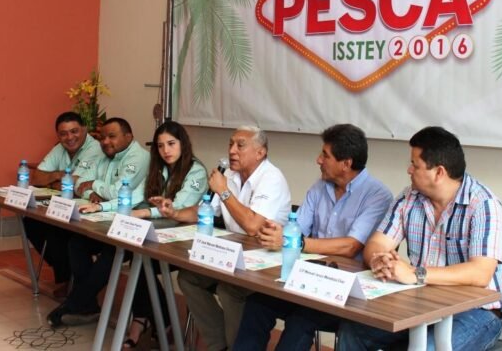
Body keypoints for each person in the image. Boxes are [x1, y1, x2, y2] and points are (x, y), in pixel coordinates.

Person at [338, 126, 502, 350]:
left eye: (415, 164)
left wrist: (415, 274)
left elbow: (480, 273)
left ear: (439, 172)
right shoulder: (410, 197)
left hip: (477, 312)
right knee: (354, 331)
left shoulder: (483, 205)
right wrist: (379, 260)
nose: (409, 170)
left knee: (427, 348)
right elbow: (377, 242)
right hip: (421, 303)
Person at [234, 123, 393, 351]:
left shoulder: (377, 195)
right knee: (256, 303)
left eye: (325, 155)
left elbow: (350, 247)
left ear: (346, 164)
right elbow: (297, 228)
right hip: (309, 278)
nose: (318, 160)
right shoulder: (320, 186)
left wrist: (297, 242)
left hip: (345, 291)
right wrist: (276, 232)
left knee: (301, 320)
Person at [166, 126, 291, 351]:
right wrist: (175, 213)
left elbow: (252, 226)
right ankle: (220, 345)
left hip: (266, 262)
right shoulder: (230, 175)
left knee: (229, 290)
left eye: (240, 145)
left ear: (260, 152)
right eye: (230, 144)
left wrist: (224, 191)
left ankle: (238, 347)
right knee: (188, 279)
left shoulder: (272, 178)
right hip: (233, 256)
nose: (232, 150)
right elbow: (205, 210)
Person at [47, 117, 150, 327]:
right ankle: (88, 306)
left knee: (111, 253)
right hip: (104, 219)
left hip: (131, 227)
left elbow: (119, 192)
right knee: (76, 243)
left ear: (128, 137)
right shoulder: (105, 155)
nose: (105, 142)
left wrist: (93, 184)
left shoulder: (138, 157)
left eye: (112, 136)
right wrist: (93, 192)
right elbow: (77, 183)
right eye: (102, 137)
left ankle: (75, 304)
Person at [121, 121, 208, 349]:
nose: (166, 150)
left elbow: (178, 208)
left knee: (139, 261)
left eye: (171, 144)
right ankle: (154, 320)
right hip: (159, 235)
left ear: (183, 143)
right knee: (130, 255)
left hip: (184, 242)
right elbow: (134, 196)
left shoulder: (196, 170)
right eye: (160, 146)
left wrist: (144, 212)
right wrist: (106, 207)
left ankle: (152, 321)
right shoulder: (158, 168)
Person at [23, 111, 104, 296]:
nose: (69, 137)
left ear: (84, 130)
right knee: (31, 222)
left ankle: (74, 281)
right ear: (58, 135)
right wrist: (59, 175)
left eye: (74, 131)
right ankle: (67, 275)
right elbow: (37, 177)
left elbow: (76, 184)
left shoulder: (94, 149)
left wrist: (55, 180)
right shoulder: (60, 148)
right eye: (64, 133)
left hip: (87, 207)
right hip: (64, 205)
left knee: (57, 232)